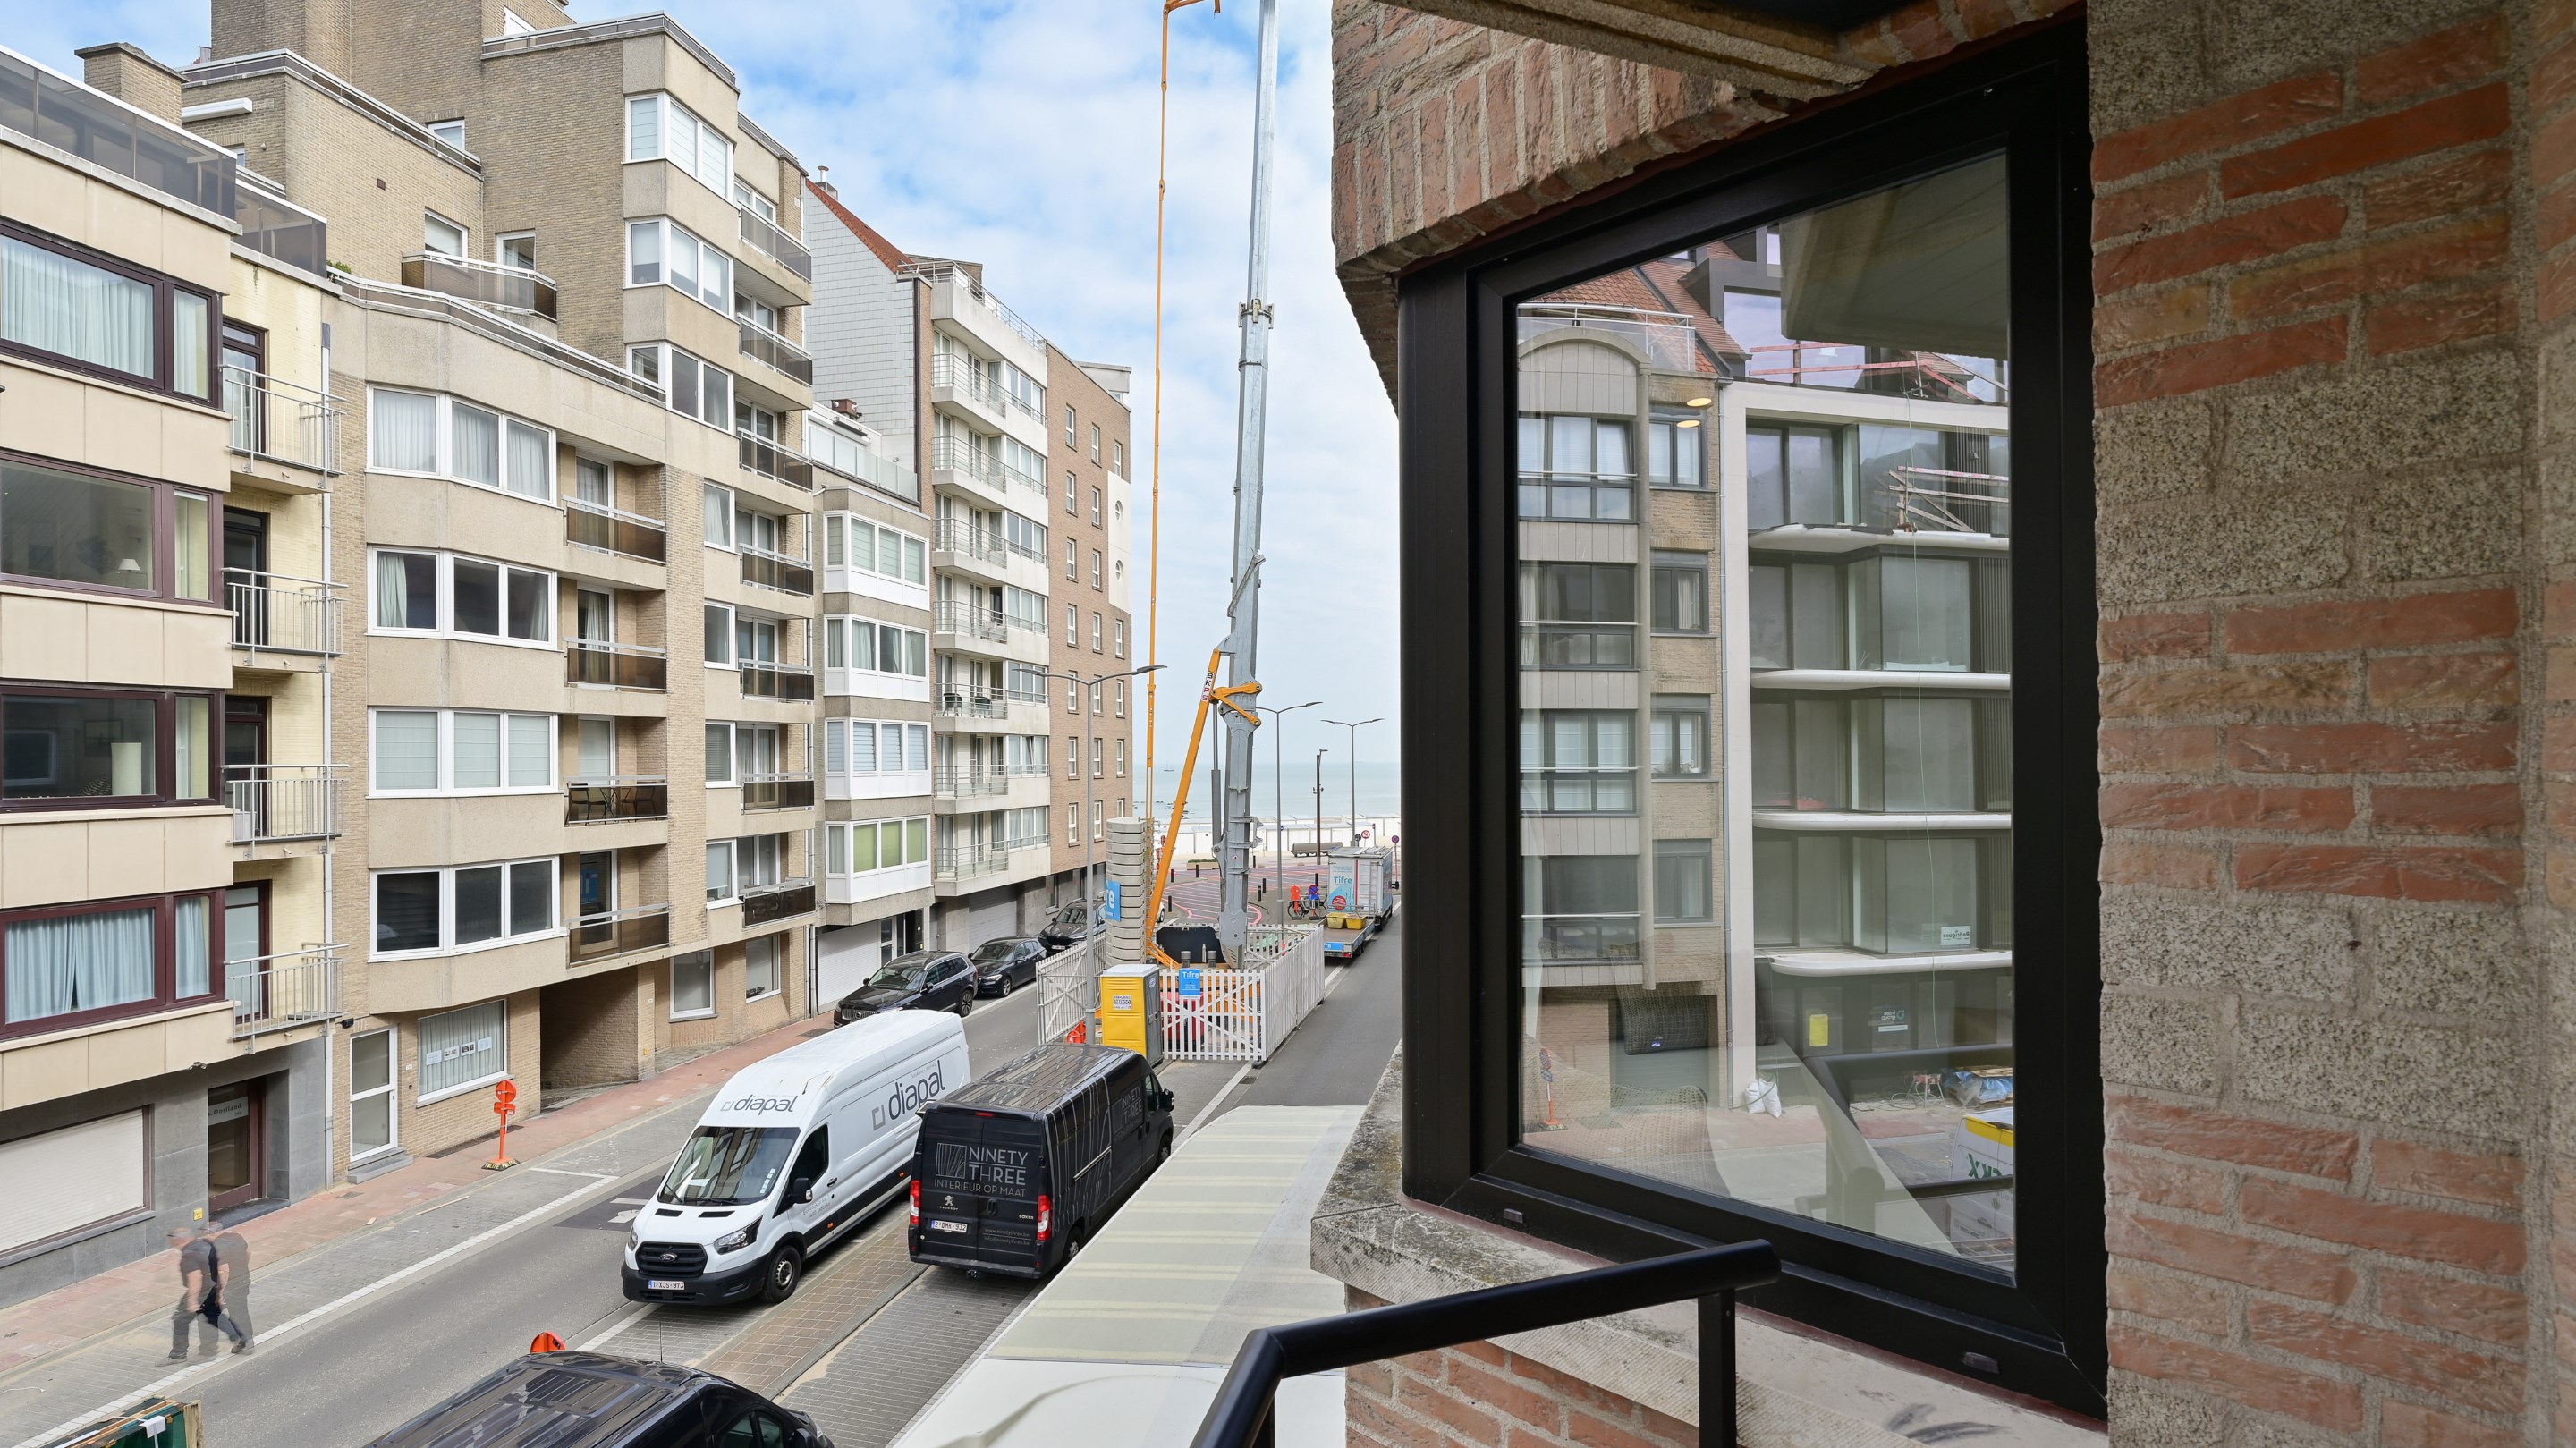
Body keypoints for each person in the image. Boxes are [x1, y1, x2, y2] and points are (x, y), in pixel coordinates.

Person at [167, 1226, 250, 1359]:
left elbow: (195, 1278)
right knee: (215, 1316)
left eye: (171, 1242)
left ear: (178, 1241)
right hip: (215, 1287)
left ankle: (179, 1354)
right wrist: (221, 1288)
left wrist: (192, 1301)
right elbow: (223, 1267)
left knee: (180, 1319)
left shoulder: (189, 1255)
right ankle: (239, 1337)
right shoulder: (207, 1245)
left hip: (202, 1291)